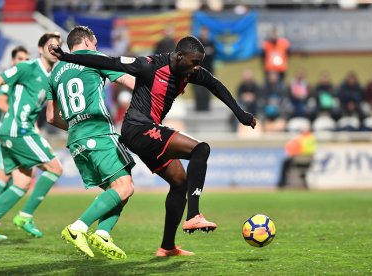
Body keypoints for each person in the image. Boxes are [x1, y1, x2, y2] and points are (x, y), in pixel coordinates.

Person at [49, 35, 256, 256]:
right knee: (200, 149)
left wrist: (240, 113)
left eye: (200, 62)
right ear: (178, 56)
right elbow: (109, 62)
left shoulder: (189, 72)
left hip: (147, 132)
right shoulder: (148, 66)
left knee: (179, 182)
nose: (197, 67)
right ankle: (194, 215)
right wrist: (67, 57)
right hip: (136, 128)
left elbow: (216, 85)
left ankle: (167, 247)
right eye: (194, 62)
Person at [46, 26, 136, 259]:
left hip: (76, 141)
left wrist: (77, 126)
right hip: (98, 133)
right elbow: (131, 82)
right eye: (94, 41)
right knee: (125, 187)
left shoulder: (55, 72)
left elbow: (50, 117)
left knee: (117, 190)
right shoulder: (94, 58)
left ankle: (103, 233)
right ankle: (78, 227)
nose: (96, 45)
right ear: (86, 41)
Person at [0, 32, 63, 241]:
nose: (54, 49)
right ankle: (25, 215)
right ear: (40, 49)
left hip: (24, 129)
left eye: (57, 47)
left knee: (22, 181)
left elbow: (47, 114)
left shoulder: (51, 78)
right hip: (17, 129)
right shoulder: (27, 67)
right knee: (55, 168)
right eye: (50, 45)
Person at [0, 46, 29, 217]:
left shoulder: (22, 81)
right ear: (13, 61)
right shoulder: (11, 78)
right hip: (1, 132)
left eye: (26, 59)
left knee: (12, 177)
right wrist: (18, 115)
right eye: (20, 58)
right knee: (3, 176)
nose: (23, 62)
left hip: (12, 133)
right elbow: (1, 103)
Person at [193, 26, 216, 111]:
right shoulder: (196, 43)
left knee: (207, 90)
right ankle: (198, 108)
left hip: (208, 70)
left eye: (206, 32)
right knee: (198, 90)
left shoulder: (210, 43)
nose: (204, 33)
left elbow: (213, 55)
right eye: (203, 31)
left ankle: (206, 108)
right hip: (197, 71)